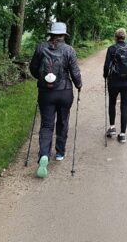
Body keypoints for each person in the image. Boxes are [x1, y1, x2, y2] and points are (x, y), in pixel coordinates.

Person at [29, 22, 82, 178]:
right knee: (63, 121)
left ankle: (44, 154)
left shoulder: (41, 47)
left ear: (51, 33)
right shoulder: (69, 50)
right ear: (64, 35)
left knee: (46, 124)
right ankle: (59, 153)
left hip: (46, 93)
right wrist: (79, 85)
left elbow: (33, 68)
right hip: (65, 92)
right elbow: (75, 72)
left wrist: (43, 80)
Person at [103, 28, 127, 143]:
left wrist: (105, 76)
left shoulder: (112, 49)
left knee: (112, 103)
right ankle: (122, 135)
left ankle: (112, 128)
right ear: (125, 37)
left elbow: (106, 66)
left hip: (114, 81)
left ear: (115, 37)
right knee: (124, 106)